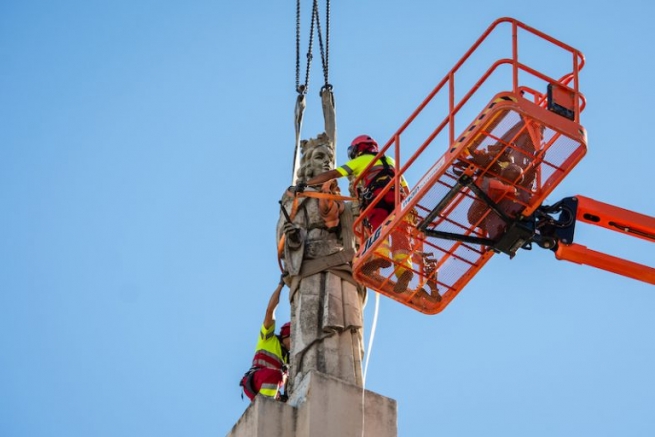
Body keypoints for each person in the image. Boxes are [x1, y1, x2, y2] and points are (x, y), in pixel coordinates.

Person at [277, 133, 366, 394]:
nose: (327, 162)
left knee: (346, 325)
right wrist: (293, 235)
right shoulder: (296, 197)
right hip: (311, 266)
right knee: (312, 327)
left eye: (330, 158)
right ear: (307, 165)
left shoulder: (343, 199)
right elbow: (282, 236)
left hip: (342, 267)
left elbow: (357, 233)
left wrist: (356, 208)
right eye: (320, 157)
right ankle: (308, 375)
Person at [299, 134, 415, 293]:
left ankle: (381, 257)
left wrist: (306, 184)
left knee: (379, 228)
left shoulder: (359, 161)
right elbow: (406, 187)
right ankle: (404, 269)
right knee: (401, 236)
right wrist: (410, 206)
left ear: (358, 150)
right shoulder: (390, 161)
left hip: (378, 198)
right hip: (399, 201)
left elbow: (333, 174)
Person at [239, 277, 291, 402]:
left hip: (268, 385)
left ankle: (272, 403)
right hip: (255, 381)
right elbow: (270, 311)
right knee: (277, 375)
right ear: (285, 336)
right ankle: (269, 403)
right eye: (292, 338)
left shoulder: (288, 359)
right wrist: (280, 285)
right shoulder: (268, 339)